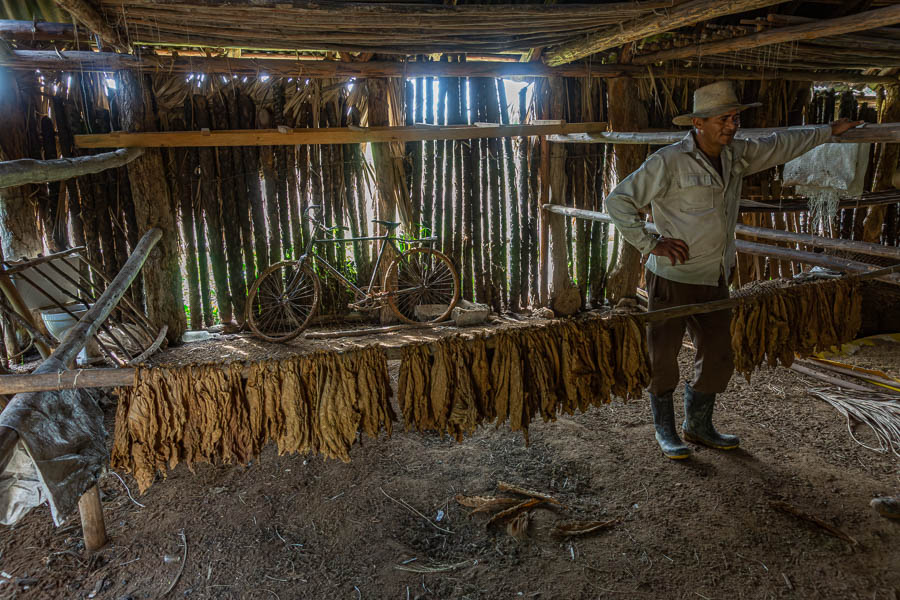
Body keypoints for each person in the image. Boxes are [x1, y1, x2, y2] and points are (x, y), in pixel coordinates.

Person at [605, 80, 861, 460]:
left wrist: (827, 131)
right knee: (663, 358)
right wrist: (649, 243)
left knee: (719, 357)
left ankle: (699, 425)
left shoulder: (735, 155)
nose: (731, 125)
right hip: (672, 279)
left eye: (735, 117)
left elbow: (779, 144)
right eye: (723, 119)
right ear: (698, 122)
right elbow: (618, 201)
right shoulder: (668, 161)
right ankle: (666, 430)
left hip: (715, 278)